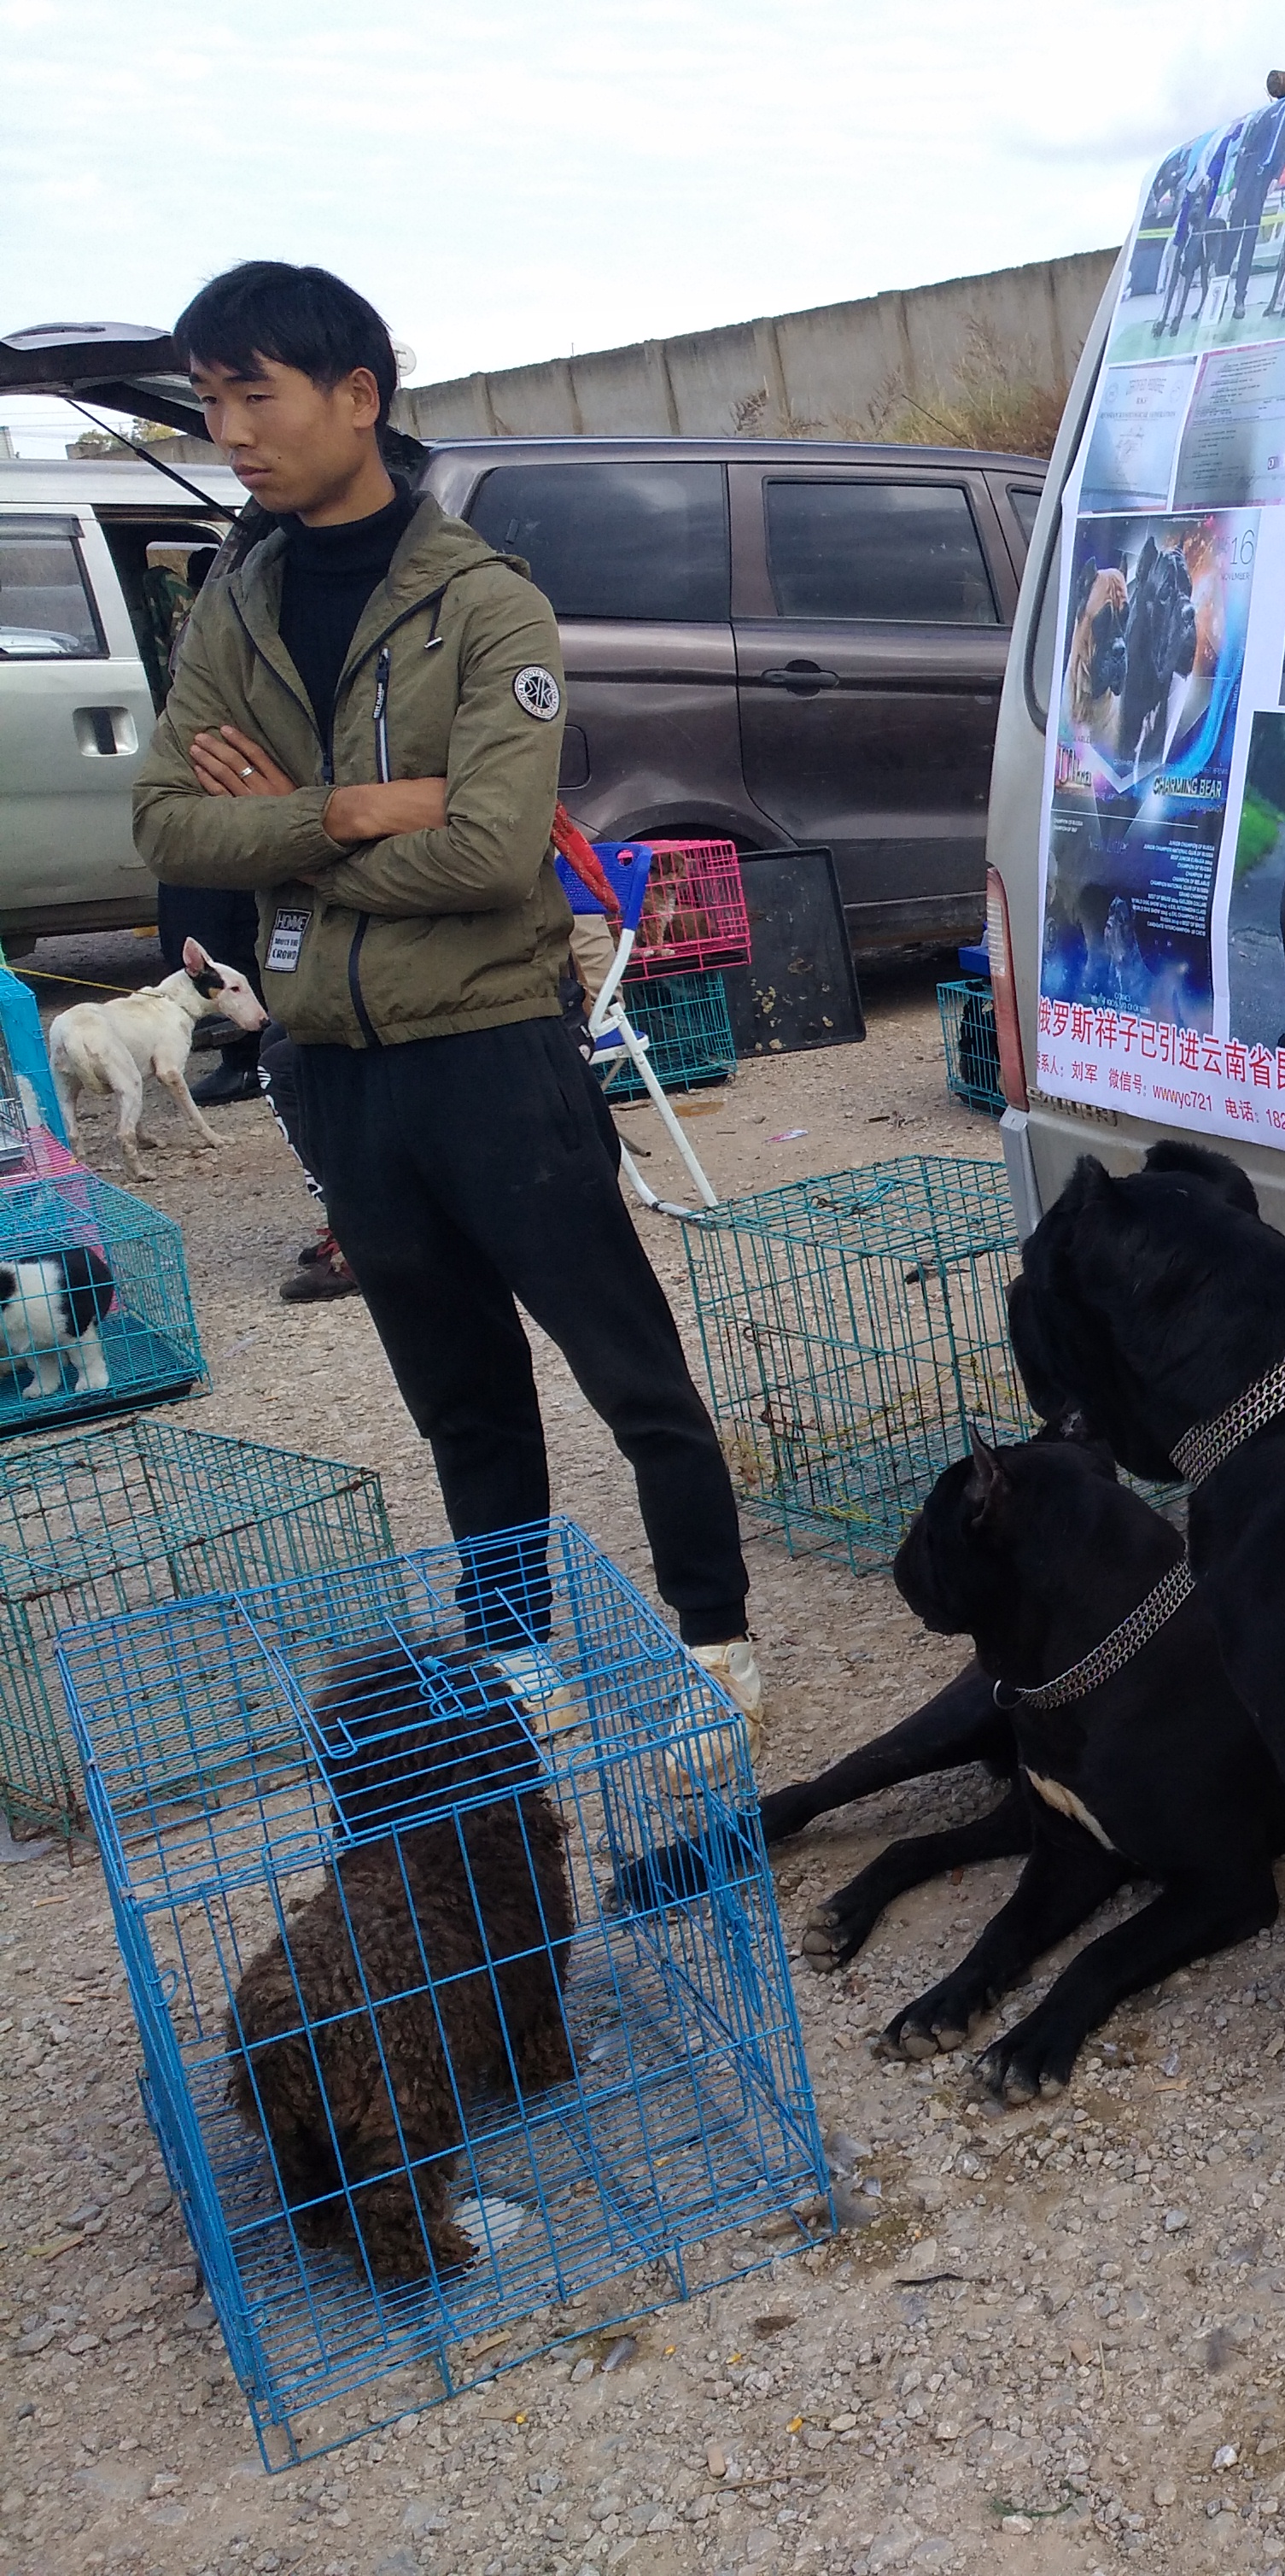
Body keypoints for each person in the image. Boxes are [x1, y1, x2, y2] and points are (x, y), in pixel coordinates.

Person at [128, 261, 763, 1719]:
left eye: (255, 394)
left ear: (357, 396)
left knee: (628, 1369)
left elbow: (486, 852)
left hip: (492, 1050)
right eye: (211, 400)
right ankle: (515, 1652)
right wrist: (350, 812)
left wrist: (281, 832)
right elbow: (168, 825)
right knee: (457, 1393)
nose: (232, 432)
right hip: (333, 1063)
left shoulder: (484, 603)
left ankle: (717, 1641)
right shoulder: (237, 603)